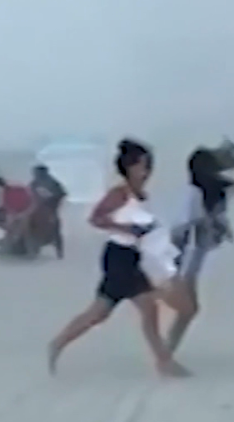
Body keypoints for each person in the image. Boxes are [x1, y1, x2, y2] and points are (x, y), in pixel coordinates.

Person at [47, 138, 190, 378]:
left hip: (130, 257)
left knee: (104, 313)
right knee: (138, 309)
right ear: (129, 167)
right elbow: (95, 218)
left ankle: (58, 343)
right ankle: (164, 363)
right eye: (142, 166)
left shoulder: (140, 194)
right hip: (118, 257)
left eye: (148, 166)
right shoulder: (119, 193)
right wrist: (126, 229)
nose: (146, 172)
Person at [165, 147, 234, 353]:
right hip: (185, 260)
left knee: (189, 310)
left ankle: (166, 349)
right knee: (188, 309)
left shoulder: (206, 194)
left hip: (190, 260)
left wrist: (219, 227)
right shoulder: (195, 194)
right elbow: (183, 227)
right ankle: (165, 351)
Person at [29, 164, 69, 259]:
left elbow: (62, 194)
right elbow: (29, 195)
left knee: (55, 229)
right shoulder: (34, 183)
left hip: (50, 209)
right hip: (37, 209)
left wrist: (53, 203)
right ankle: (33, 248)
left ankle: (59, 251)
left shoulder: (52, 183)